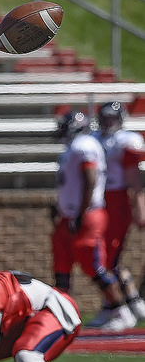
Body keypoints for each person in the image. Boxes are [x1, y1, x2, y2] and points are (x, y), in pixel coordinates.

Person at [51, 110, 136, 332]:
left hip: (86, 215)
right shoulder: (74, 146)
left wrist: (81, 213)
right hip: (70, 215)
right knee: (61, 266)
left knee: (95, 266)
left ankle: (120, 310)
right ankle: (59, 314)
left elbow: (90, 177)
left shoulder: (84, 145)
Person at [88, 101, 145, 327]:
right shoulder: (93, 139)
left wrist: (140, 207)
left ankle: (114, 308)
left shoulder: (125, 140)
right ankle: (131, 300)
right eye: (104, 118)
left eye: (112, 118)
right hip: (98, 202)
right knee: (105, 258)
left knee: (107, 258)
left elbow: (135, 180)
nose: (108, 122)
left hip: (117, 201)